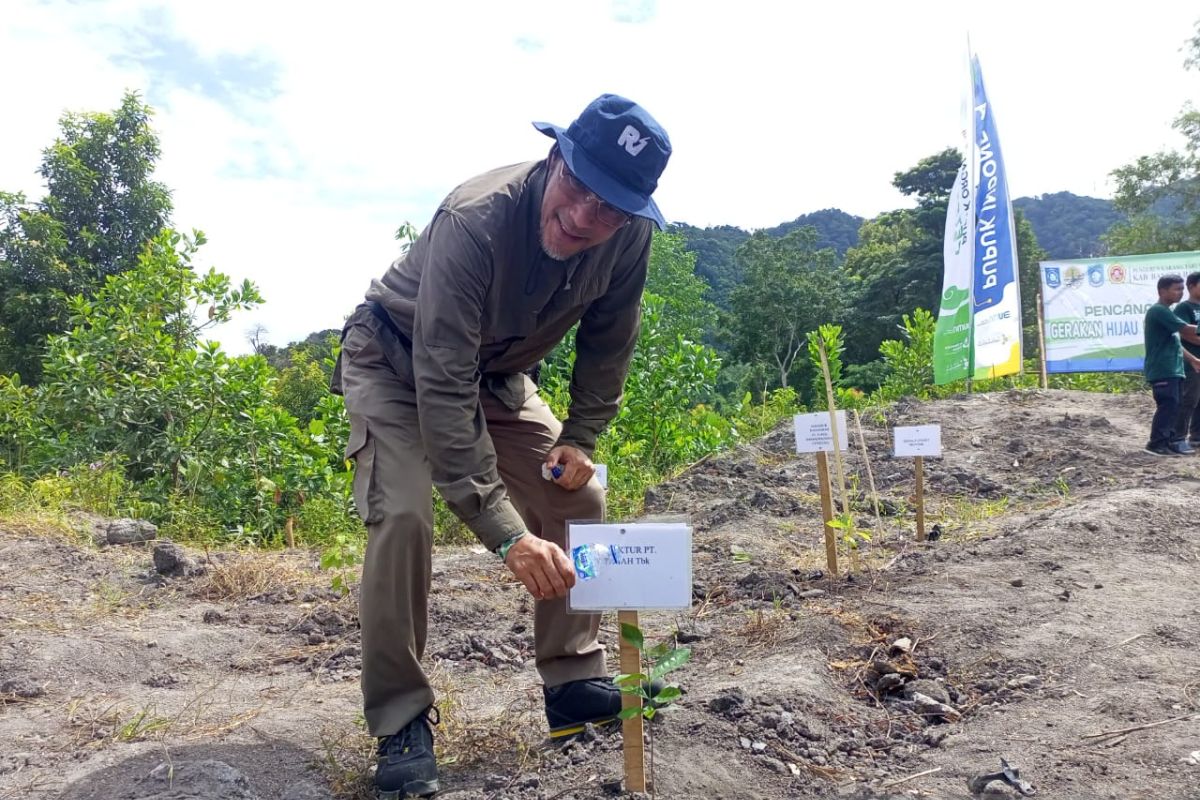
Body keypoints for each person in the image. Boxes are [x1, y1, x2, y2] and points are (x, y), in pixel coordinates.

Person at [330, 94, 671, 798]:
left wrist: (581, 436)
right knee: (402, 516)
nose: (584, 219)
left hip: (499, 375)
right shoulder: (475, 221)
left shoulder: (630, 237)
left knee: (583, 494)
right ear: (554, 160)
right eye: (577, 189)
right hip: (396, 361)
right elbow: (443, 386)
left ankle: (574, 682)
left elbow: (610, 344)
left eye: (608, 208)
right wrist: (507, 537)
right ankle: (401, 719)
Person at [1143, 274, 1200, 456]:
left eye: (1182, 289)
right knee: (1169, 404)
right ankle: (1156, 444)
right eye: (1176, 289)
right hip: (1162, 368)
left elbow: (1176, 343)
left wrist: (1193, 359)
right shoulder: (1158, 311)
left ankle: (1167, 443)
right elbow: (1186, 329)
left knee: (1175, 404)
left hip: (1174, 368)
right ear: (1162, 291)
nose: (1180, 293)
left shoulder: (1166, 312)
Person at [1171, 271, 1200, 446]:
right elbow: (1184, 333)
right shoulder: (1184, 308)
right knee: (1189, 398)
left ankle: (1197, 436)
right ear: (1191, 286)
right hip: (1191, 361)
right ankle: (1178, 436)